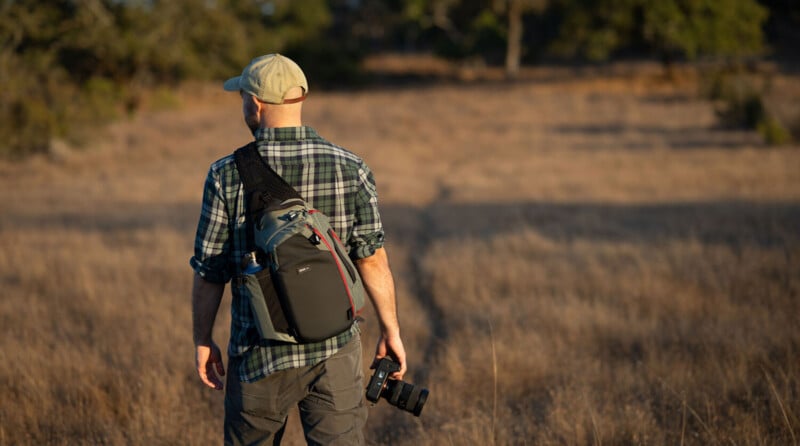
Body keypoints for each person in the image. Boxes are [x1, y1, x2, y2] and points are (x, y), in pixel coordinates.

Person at [190, 54, 407, 445]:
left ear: (255, 103)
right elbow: (371, 257)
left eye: (242, 98)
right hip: (335, 349)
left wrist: (202, 339)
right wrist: (390, 330)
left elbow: (209, 270)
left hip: (257, 354)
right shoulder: (351, 167)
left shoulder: (225, 173)